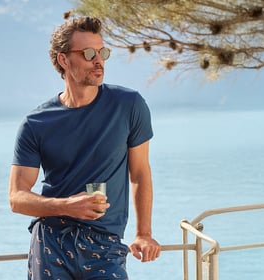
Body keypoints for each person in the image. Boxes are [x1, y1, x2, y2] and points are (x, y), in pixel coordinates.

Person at [8, 16, 160, 279]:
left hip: (105, 244)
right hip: (51, 243)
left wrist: (144, 233)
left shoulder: (129, 106)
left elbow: (139, 173)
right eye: (89, 54)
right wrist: (67, 206)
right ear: (64, 60)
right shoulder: (36, 123)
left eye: (102, 52)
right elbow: (17, 198)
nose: (98, 60)